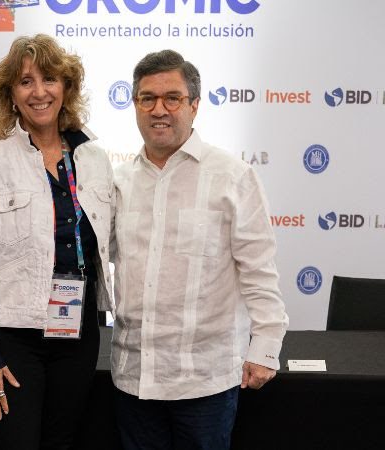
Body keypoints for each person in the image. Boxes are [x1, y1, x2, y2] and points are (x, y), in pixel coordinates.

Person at [111, 49, 289, 449]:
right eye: (147, 98)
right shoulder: (119, 181)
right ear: (136, 106)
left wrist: (266, 347)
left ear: (194, 105)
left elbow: (259, 269)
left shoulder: (233, 177)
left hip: (204, 381)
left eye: (172, 98)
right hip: (133, 374)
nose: (159, 109)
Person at [0, 34, 114, 450]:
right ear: (11, 95)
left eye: (50, 79)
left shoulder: (95, 159)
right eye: (25, 81)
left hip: (77, 330)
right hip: (13, 336)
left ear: (66, 87)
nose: (39, 91)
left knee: (62, 441)